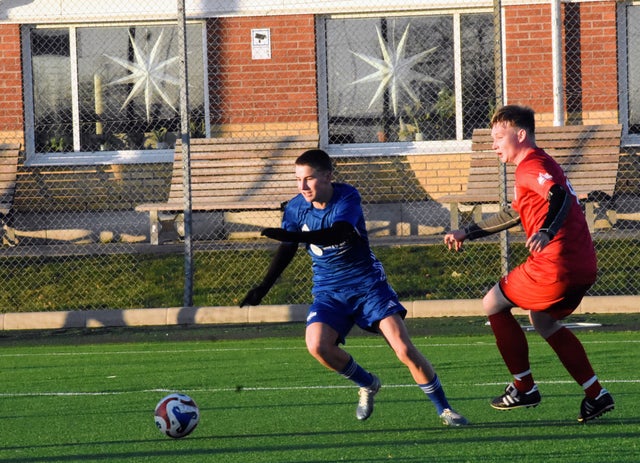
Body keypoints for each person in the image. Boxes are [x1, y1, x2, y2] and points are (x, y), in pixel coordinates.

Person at [241, 148, 468, 427]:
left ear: (327, 177)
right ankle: (368, 383)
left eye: (309, 179)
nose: (302, 187)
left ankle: (445, 410)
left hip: (368, 287)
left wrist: (293, 235)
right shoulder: (296, 206)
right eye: (297, 179)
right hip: (329, 291)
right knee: (317, 346)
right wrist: (263, 287)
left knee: (403, 349)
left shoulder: (347, 196)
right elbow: (288, 248)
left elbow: (339, 232)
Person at [443, 105, 614, 423]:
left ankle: (524, 388)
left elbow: (559, 196)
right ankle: (596, 396)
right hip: (583, 264)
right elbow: (514, 214)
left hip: (556, 263)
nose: (494, 144)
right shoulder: (541, 163)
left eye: (498, 137)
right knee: (543, 321)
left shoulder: (530, 166)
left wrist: (547, 231)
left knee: (492, 302)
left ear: (520, 135)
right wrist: (466, 231)